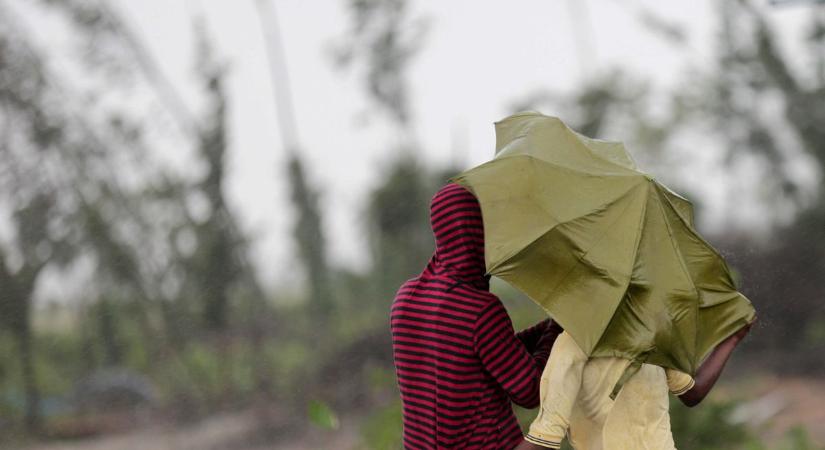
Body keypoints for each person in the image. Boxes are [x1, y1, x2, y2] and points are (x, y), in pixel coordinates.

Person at [391, 182, 564, 449]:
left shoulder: (405, 300)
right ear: (477, 234)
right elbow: (531, 391)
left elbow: (483, 356)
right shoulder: (480, 310)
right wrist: (559, 332)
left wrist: (550, 326)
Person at [514, 319, 756, 450]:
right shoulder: (652, 331)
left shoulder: (573, 343)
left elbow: (545, 437)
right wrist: (731, 340)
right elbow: (693, 393)